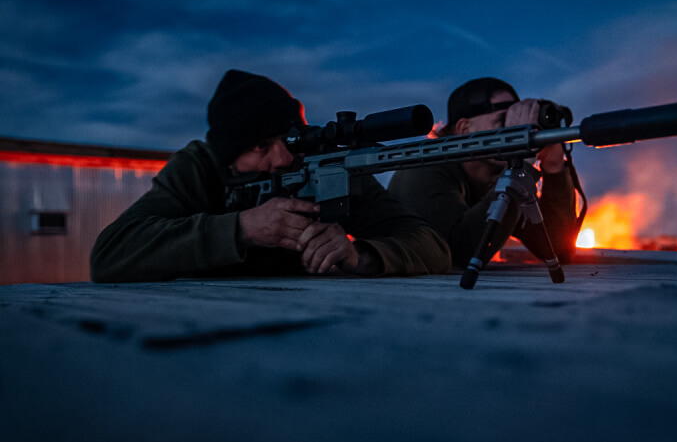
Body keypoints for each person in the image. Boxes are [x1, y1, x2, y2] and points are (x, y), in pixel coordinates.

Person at [90, 69, 451, 282]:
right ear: (230, 153)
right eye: (262, 145)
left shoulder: (323, 166)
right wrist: (241, 229)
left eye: (289, 139)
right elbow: (109, 254)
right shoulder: (200, 166)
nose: (282, 157)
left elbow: (431, 244)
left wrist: (363, 255)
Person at [388, 77, 583, 268]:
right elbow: (458, 254)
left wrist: (554, 166)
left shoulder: (497, 175)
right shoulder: (423, 169)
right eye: (503, 121)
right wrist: (522, 161)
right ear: (465, 129)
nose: (516, 130)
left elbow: (558, 248)